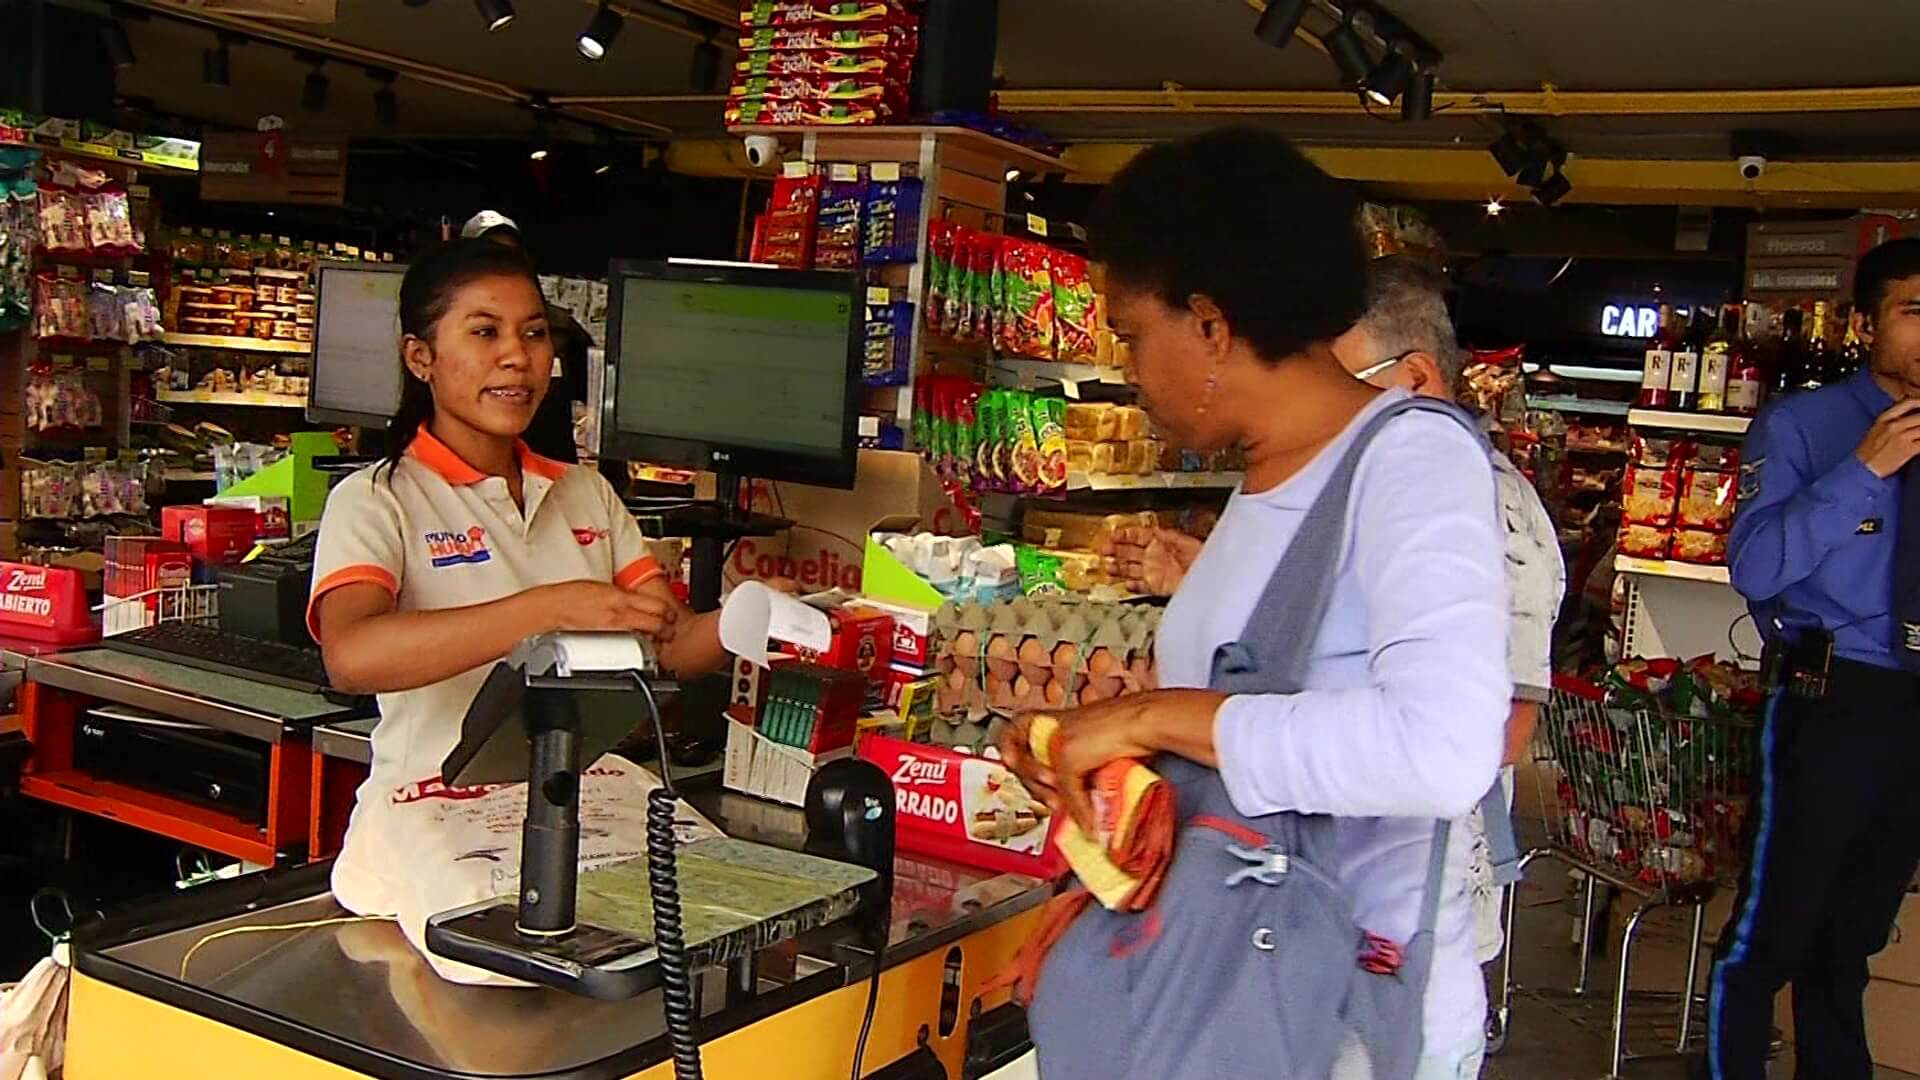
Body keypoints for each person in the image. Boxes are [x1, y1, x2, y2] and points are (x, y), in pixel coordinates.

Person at [997, 128, 1510, 1078]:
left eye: (1130, 335)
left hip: (1324, 1024)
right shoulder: (1270, 480)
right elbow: (1251, 718)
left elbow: (1443, 753)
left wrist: (1149, 715)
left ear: (1210, 325)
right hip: (1220, 993)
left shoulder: (1411, 459)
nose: (1129, 370)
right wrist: (1099, 746)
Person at [1104, 253, 1566, 983]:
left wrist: (1165, 720)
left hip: (1381, 933)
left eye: (1336, 381)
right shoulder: (1325, 472)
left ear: (1413, 378)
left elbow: (1495, 733)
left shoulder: (1482, 505)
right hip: (1280, 918)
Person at [306, 238, 730, 978]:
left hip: (592, 796)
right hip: (434, 802)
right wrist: (546, 610)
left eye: (534, 334)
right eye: (485, 331)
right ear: (420, 358)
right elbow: (353, 654)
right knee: (503, 968)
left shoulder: (586, 493)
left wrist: (752, 622)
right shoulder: (376, 499)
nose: (517, 357)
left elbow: (671, 643)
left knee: (708, 925)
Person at [1706, 237, 1920, 1080]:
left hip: (1915, 707)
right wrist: (1864, 471)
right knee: (1773, 933)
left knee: (1857, 932)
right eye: (1915, 311)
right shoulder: (1806, 425)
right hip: (1835, 697)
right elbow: (1755, 569)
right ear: (1867, 324)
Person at [459, 210, 592, 465]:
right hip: (471, 477)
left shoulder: (560, 328)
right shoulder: (447, 331)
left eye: (510, 256)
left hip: (550, 480)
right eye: (488, 256)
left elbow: (599, 397)